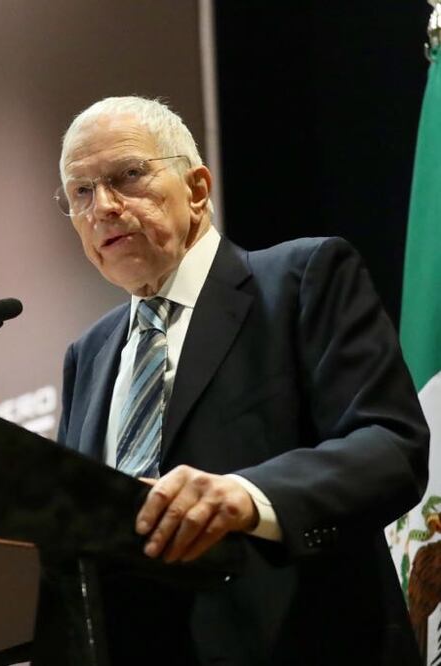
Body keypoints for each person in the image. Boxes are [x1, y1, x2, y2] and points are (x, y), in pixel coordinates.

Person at [55, 96, 429, 665]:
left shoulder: (301, 279)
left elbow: (390, 447)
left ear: (198, 188)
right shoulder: (89, 355)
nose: (103, 206)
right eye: (81, 192)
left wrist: (248, 496)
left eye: (127, 176)